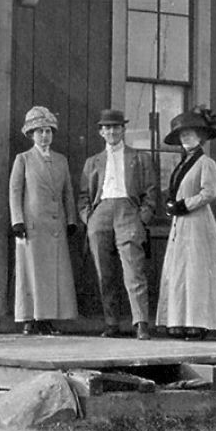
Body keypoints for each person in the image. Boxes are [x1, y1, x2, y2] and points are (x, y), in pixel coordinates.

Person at [78, 108, 160, 340]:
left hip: (128, 213)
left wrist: (142, 216)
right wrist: (89, 218)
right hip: (100, 213)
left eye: (116, 127)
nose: (112, 131)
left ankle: (141, 322)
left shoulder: (140, 158)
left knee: (134, 270)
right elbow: (84, 195)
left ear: (123, 130)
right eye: (107, 128)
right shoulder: (93, 162)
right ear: (101, 132)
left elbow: (151, 192)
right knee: (104, 273)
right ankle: (111, 322)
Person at [155, 106, 216, 340]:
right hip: (181, 225)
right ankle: (178, 322)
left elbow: (209, 193)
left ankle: (197, 323)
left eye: (191, 134)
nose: (186, 138)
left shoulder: (206, 163)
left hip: (197, 223)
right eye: (182, 135)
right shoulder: (182, 163)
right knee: (180, 271)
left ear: (201, 136)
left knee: (196, 272)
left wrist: (183, 205)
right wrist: (171, 205)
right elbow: (177, 190)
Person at [9, 105, 79, 335]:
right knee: (32, 272)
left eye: (48, 131)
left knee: (53, 274)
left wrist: (71, 219)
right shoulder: (24, 159)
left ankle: (47, 318)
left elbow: (67, 192)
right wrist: (17, 220)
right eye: (40, 131)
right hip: (32, 226)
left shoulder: (61, 161)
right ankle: (30, 318)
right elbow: (15, 191)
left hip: (55, 226)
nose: (45, 136)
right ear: (31, 135)